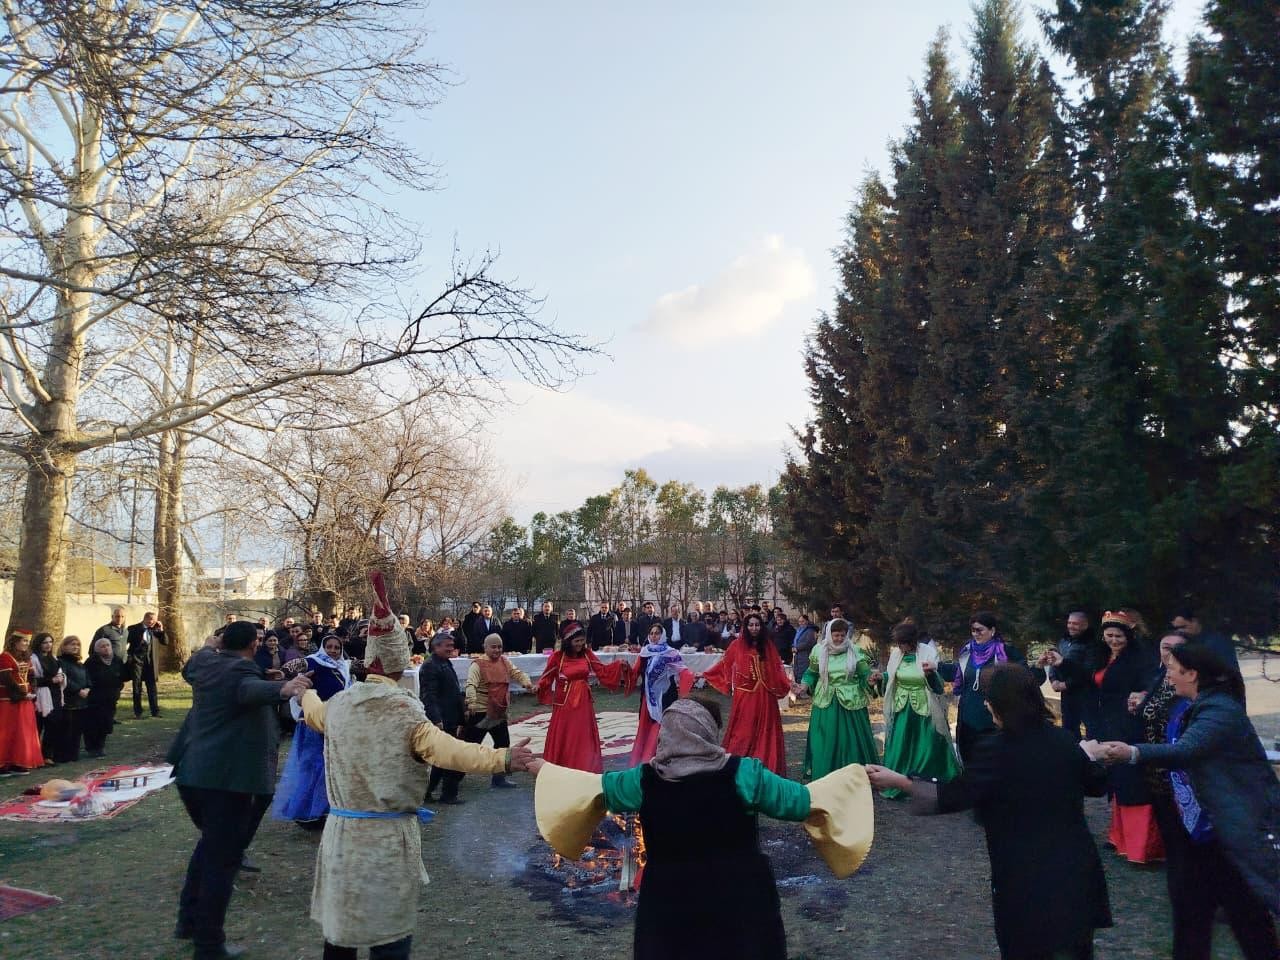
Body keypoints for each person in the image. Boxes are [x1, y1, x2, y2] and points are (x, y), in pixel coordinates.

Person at [298, 571, 538, 960]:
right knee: (389, 937)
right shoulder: (404, 713)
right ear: (399, 664)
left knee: (341, 932)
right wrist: (504, 758)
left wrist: (305, 692)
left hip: (341, 836)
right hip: (386, 840)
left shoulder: (339, 705)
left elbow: (314, 713)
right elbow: (451, 752)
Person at [533, 696, 873, 960]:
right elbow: (802, 801)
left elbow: (592, 789)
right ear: (708, 731)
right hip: (740, 901)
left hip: (669, 903)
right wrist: (855, 778)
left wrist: (538, 767)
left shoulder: (642, 780)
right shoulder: (744, 774)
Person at [867, 664, 1112, 960]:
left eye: (989, 699)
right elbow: (1096, 784)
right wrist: (1089, 756)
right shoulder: (1065, 740)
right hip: (1076, 873)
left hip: (1026, 877)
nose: (985, 704)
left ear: (1001, 705)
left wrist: (900, 782)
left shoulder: (995, 750)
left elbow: (954, 796)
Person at [1100, 644, 1280, 960]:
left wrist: (1132, 753)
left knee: (1247, 916)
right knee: (1191, 912)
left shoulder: (1220, 710)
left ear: (1192, 674)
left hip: (1228, 830)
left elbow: (1187, 750)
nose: (1167, 674)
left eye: (1172, 668)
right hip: (1199, 828)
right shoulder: (1190, 705)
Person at [169, 621, 313, 959]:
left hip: (193, 774)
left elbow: (196, 664)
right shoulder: (241, 672)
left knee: (210, 847)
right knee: (223, 860)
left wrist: (210, 644)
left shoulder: (205, 663)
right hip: (225, 781)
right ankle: (209, 945)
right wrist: (284, 689)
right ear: (253, 645)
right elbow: (249, 689)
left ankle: (188, 921)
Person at [1076, 609, 1162, 864]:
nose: (1113, 640)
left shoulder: (1140, 658)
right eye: (1109, 635)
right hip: (1106, 724)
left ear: (1129, 636)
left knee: (1132, 781)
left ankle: (1141, 845)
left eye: (1118, 636)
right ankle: (1119, 836)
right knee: (1116, 781)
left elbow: (1151, 685)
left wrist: (1141, 695)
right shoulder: (1102, 656)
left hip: (1130, 725)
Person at [936, 611, 1043, 761]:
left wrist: (1038, 668)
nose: (975, 634)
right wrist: (935, 667)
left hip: (994, 719)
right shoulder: (967, 652)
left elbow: (1024, 677)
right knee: (968, 760)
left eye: (979, 630)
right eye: (973, 630)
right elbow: (957, 672)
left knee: (993, 760)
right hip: (968, 718)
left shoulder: (1005, 652)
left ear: (992, 630)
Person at [272, 635, 353, 826]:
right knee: (312, 765)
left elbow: (362, 665)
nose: (333, 651)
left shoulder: (343, 666)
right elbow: (293, 666)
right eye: (329, 647)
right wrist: (284, 674)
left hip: (333, 721)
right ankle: (305, 812)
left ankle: (323, 810)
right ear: (323, 648)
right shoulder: (313, 661)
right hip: (312, 722)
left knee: (328, 767)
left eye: (337, 647)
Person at [700, 613, 790, 776]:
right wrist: (705, 674)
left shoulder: (767, 645)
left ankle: (766, 765)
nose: (754, 628)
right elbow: (724, 664)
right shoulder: (737, 645)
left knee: (766, 731)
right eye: (751, 625)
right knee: (743, 731)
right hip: (745, 696)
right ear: (745, 627)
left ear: (761, 627)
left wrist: (789, 684)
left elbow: (777, 668)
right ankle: (739, 765)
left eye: (757, 625)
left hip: (766, 695)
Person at [878, 620, 959, 798]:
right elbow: (891, 676)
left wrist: (930, 674)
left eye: (903, 643)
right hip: (902, 707)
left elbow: (938, 686)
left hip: (924, 707)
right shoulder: (896, 654)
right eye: (898, 643)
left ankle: (926, 783)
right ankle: (898, 781)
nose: (900, 647)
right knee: (901, 743)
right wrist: (880, 678)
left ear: (912, 641)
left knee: (927, 744)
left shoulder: (928, 652)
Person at [536, 620, 630, 772]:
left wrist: (618, 664)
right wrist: (538, 686)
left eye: (582, 641)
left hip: (583, 702)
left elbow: (602, 670)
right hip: (565, 703)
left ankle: (584, 765)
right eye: (577, 641)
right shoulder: (558, 657)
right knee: (566, 734)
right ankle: (562, 765)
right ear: (568, 641)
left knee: (583, 734)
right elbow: (546, 676)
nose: (580, 644)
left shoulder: (587, 654)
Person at [793, 618, 880, 778]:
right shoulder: (819, 651)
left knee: (851, 740)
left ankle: (854, 775)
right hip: (826, 701)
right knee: (825, 739)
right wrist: (804, 685)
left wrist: (870, 679)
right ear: (829, 635)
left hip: (851, 703)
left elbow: (864, 673)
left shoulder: (855, 651)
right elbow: (811, 673)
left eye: (842, 635)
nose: (839, 639)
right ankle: (826, 773)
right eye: (836, 635)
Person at [462, 634, 535, 788]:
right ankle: (453, 778)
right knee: (469, 747)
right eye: (493, 647)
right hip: (480, 713)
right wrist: (471, 702)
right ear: (485, 647)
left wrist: (526, 683)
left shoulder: (505, 661)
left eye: (499, 647)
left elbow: (517, 673)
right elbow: (471, 684)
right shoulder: (477, 664)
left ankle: (499, 779)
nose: (497, 650)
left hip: (499, 712)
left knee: (503, 745)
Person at [628, 624, 694, 764]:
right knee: (648, 726)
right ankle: (645, 756)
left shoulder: (671, 653)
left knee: (662, 725)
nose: (654, 636)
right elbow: (635, 672)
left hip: (666, 696)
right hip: (648, 697)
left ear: (662, 635)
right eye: (651, 633)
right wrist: (624, 669)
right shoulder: (645, 652)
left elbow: (683, 671)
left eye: (657, 633)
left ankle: (661, 756)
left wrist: (689, 679)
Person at [419, 632, 467, 804]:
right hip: (442, 719)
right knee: (449, 757)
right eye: (447, 646)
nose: (451, 648)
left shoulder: (444, 662)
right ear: (436, 646)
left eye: (452, 645)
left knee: (441, 759)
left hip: (451, 716)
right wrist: (436, 719)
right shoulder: (430, 666)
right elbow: (428, 696)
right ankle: (448, 794)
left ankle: (427, 792)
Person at [1039, 611, 1098, 741]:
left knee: (1092, 729)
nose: (1071, 626)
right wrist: (1053, 680)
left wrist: (1066, 684)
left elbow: (1088, 671)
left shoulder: (1091, 645)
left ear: (1085, 625)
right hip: (1067, 695)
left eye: (1075, 623)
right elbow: (1054, 661)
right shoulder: (1063, 641)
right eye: (1069, 623)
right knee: (1068, 728)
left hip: (1085, 694)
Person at [0, 631, 45, 772]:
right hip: (9, 699)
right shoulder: (5, 657)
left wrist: (32, 691)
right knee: (7, 731)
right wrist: (22, 694)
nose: (26, 644)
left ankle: (18, 762)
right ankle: (3, 764)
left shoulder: (26, 657)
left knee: (23, 732)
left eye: (27, 641)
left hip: (25, 700)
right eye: (23, 641)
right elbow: (7, 679)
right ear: (14, 642)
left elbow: (31, 676)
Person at [83, 637, 127, 758]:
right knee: (93, 724)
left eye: (108, 645)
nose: (106, 648)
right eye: (102, 646)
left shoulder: (117, 660)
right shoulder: (91, 662)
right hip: (95, 698)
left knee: (106, 723)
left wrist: (118, 688)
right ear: (97, 649)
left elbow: (122, 676)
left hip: (111, 698)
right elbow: (87, 678)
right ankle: (92, 748)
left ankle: (100, 746)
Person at [52, 635, 89, 763]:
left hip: (81, 701)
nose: (75, 647)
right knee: (66, 729)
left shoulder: (80, 664)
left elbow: (88, 678)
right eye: (72, 644)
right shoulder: (61, 662)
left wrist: (87, 689)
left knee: (77, 730)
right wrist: (78, 690)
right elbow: (65, 679)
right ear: (64, 646)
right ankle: (62, 755)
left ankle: (73, 754)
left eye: (77, 645)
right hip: (68, 701)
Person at [1170, 605, 1240, 673]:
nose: (1179, 631)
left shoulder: (1217, 641)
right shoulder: (1182, 642)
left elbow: (1230, 671)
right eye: (1176, 628)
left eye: (1183, 627)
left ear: (1194, 621)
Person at [28, 632, 64, 758]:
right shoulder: (33, 659)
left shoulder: (53, 658)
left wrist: (61, 677)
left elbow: (59, 673)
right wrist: (50, 680)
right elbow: (32, 680)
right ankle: (34, 756)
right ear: (38, 644)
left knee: (53, 726)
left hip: (55, 695)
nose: (48, 645)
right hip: (40, 696)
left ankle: (47, 755)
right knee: (38, 726)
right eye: (45, 642)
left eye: (50, 642)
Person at [126, 611, 166, 718]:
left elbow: (165, 642)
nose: (152, 622)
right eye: (151, 620)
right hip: (136, 661)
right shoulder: (133, 628)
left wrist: (161, 630)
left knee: (152, 687)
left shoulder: (155, 630)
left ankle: (155, 712)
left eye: (154, 620)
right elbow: (125, 643)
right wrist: (129, 658)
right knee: (137, 686)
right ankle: (138, 712)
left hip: (149, 662)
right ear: (145, 619)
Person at [791, 614, 816, 680]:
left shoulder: (810, 631)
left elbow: (808, 643)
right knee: (797, 672)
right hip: (797, 655)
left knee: (804, 673)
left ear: (807, 621)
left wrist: (797, 648)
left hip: (805, 655)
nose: (801, 623)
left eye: (803, 621)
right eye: (799, 621)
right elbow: (795, 640)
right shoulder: (799, 630)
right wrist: (793, 646)